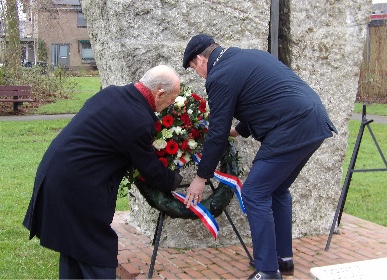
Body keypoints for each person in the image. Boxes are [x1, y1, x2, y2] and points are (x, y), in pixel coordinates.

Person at [182, 34, 337, 280]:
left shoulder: (219, 76)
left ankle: (267, 271)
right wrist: (239, 131)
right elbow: (267, 98)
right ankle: (282, 260)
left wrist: (201, 177)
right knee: (277, 190)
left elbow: (218, 132)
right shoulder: (249, 56)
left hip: (291, 128)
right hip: (315, 121)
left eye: (193, 68)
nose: (199, 74)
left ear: (200, 59)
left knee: (255, 192)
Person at [23, 65, 183, 279]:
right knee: (98, 256)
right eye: (171, 99)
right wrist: (177, 181)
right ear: (159, 93)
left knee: (74, 251)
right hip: (76, 189)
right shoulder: (137, 119)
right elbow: (151, 171)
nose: (170, 105)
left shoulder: (113, 93)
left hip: (58, 175)